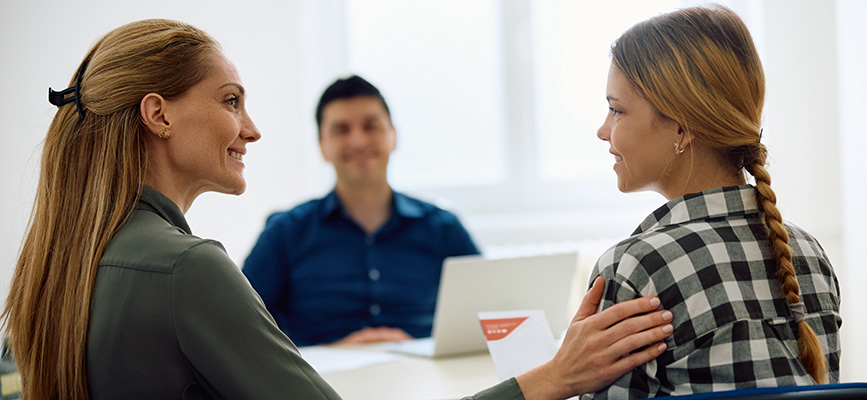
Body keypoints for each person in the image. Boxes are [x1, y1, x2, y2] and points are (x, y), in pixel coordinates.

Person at [1, 19, 675, 400]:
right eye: (231, 100)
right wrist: (551, 379)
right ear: (159, 115)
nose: (252, 128)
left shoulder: (74, 257)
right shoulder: (190, 269)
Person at [583, 5, 841, 398]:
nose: (603, 131)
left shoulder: (636, 270)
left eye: (616, 110)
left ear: (682, 127)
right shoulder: (809, 253)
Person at [243, 75, 480, 346]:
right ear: (322, 147)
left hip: (433, 380)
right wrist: (333, 352)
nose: (358, 140)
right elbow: (242, 326)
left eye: (371, 126)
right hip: (317, 383)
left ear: (394, 136)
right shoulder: (285, 232)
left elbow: (487, 315)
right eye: (341, 130)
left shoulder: (444, 228)